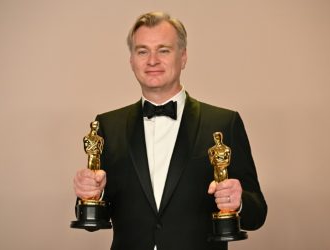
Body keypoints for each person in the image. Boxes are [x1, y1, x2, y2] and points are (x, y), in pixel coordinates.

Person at [73, 11, 267, 250]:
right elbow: (94, 221)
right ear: (131, 60)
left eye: (163, 50)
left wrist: (238, 203)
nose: (152, 60)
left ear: (183, 57)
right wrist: (91, 194)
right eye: (142, 51)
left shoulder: (223, 123)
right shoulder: (107, 126)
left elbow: (257, 215)